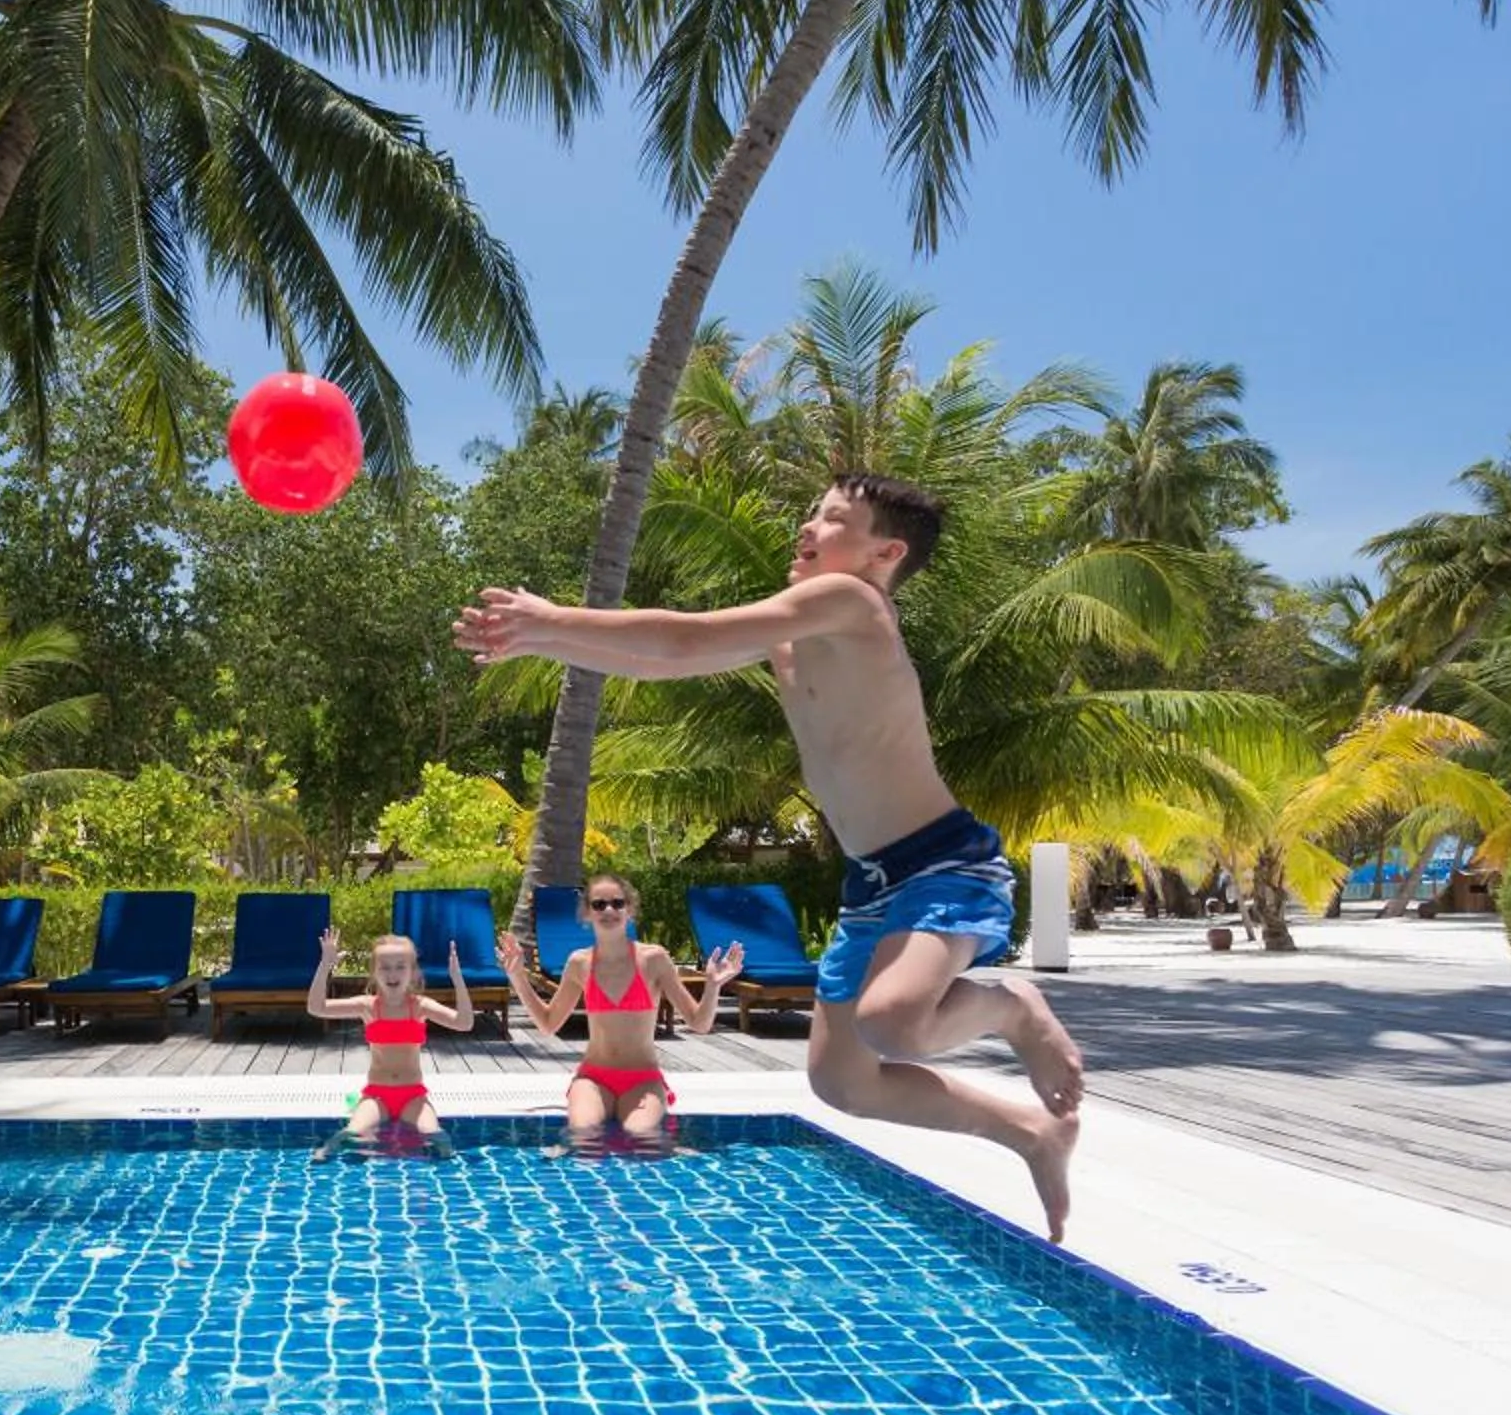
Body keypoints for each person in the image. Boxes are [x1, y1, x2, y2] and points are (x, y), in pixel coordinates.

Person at [454, 473, 1085, 1238]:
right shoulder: (796, 630)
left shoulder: (852, 602)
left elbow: (687, 635)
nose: (808, 524)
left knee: (893, 1024)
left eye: (832, 517)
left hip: (942, 864)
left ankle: (1014, 1009)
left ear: (885, 552)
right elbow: (669, 659)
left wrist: (551, 617)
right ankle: (1029, 1132)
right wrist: (540, 638)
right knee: (842, 1082)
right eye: (812, 511)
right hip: (872, 884)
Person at [496, 873, 738, 1139]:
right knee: (584, 1134)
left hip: (643, 1079)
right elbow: (547, 1023)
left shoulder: (654, 959)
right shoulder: (580, 963)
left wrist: (713, 986)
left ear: (629, 910)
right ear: (587, 913)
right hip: (593, 1079)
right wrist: (518, 977)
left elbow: (699, 1023)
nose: (609, 910)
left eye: (617, 903)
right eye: (599, 905)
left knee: (641, 1137)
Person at [305, 929, 474, 1157]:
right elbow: (317, 1007)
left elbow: (464, 1023)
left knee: (437, 1138)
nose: (392, 973)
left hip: (413, 1096)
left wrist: (457, 979)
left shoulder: (420, 1006)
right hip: (377, 1095)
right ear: (374, 972)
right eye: (384, 967)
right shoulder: (368, 1006)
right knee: (350, 1134)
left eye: (400, 966)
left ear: (412, 972)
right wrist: (325, 964)